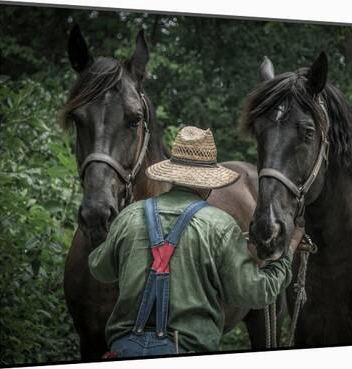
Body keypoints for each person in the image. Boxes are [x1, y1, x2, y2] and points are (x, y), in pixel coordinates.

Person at [88, 126, 293, 358]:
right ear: (208, 182)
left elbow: (100, 269)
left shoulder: (130, 216)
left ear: (172, 175)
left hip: (124, 349)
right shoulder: (221, 226)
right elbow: (256, 292)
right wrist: (286, 254)